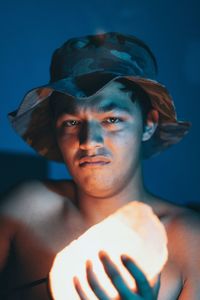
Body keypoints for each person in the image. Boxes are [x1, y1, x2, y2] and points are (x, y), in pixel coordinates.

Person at [0, 32, 200, 300]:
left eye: (112, 119)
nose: (89, 141)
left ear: (149, 124)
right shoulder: (25, 211)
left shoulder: (188, 240)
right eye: (71, 122)